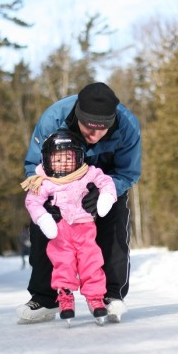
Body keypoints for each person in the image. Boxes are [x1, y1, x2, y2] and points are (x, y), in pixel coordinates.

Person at [17, 82, 141, 323]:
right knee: (45, 224)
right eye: (88, 129)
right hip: (58, 179)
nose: (93, 136)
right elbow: (33, 165)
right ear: (78, 117)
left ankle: (111, 295)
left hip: (105, 181)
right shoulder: (53, 119)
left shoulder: (128, 127)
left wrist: (107, 191)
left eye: (102, 130)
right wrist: (45, 197)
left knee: (115, 218)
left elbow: (128, 173)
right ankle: (45, 298)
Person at [21, 130, 117, 322]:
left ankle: (95, 297)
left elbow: (106, 181)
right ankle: (64, 296)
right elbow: (32, 201)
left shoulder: (87, 173)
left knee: (91, 262)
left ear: (78, 157)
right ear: (47, 161)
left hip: (85, 229)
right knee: (62, 263)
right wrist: (43, 218)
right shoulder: (45, 181)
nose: (63, 164)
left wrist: (106, 197)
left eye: (68, 158)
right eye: (57, 160)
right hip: (60, 232)